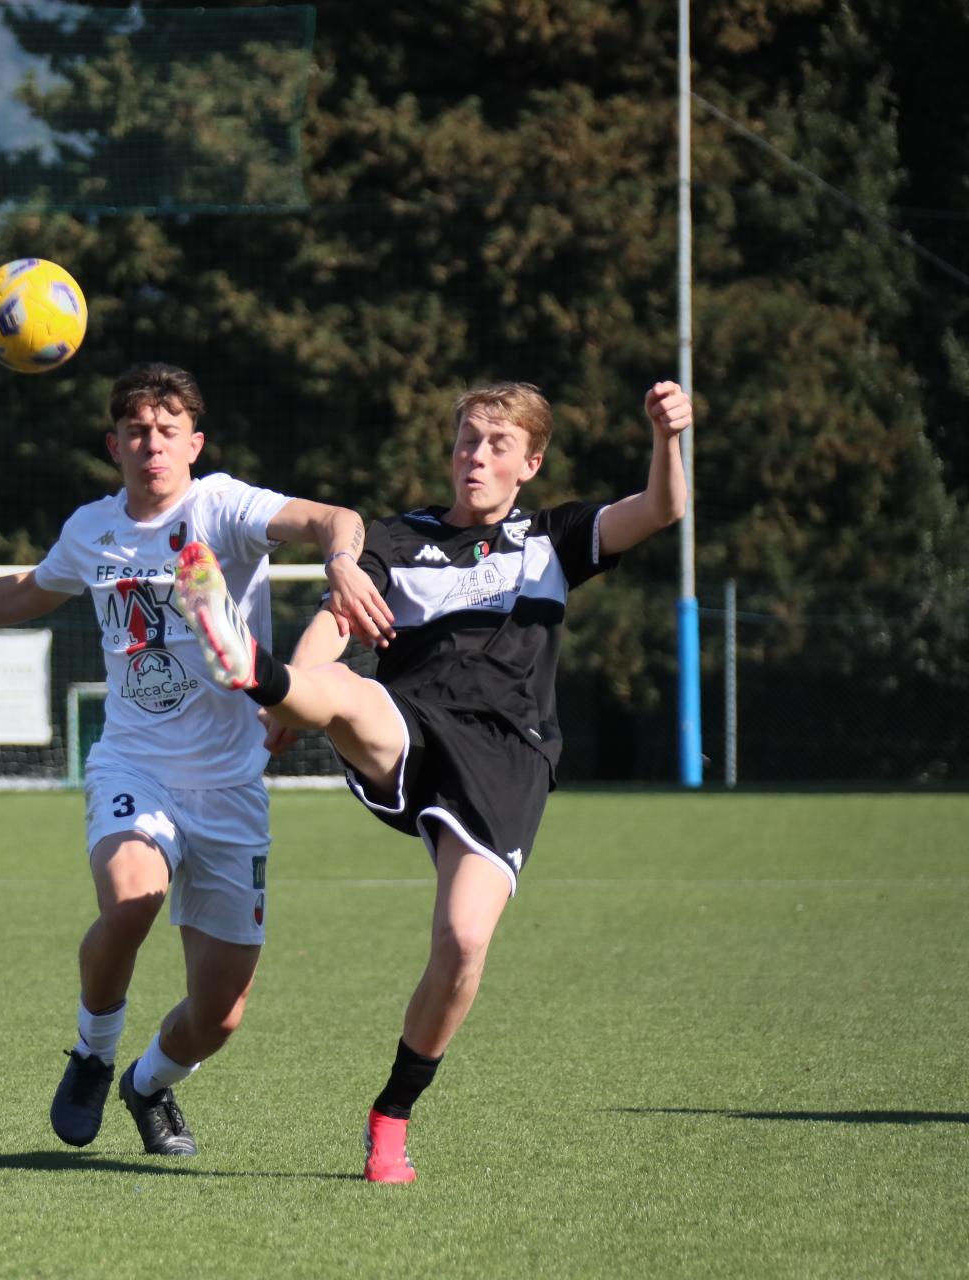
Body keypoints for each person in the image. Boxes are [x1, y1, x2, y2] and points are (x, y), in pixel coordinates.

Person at [0, 363, 389, 1156]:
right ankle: (92, 1052)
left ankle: (147, 1083)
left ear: (195, 443)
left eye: (168, 431)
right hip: (135, 768)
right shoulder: (92, 529)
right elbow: (28, 590)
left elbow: (336, 518)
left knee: (220, 1015)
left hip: (231, 785)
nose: (153, 445)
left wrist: (341, 561)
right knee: (133, 898)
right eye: (137, 432)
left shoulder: (224, 509)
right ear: (114, 445)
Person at [174, 379, 692, 1182]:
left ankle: (392, 1115)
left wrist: (666, 438)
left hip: (507, 759)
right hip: (410, 727)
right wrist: (296, 691)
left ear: (530, 464)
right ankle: (253, 668)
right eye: (466, 441)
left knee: (463, 944)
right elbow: (337, 623)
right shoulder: (394, 538)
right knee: (342, 689)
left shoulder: (552, 539)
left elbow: (659, 509)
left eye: (496, 445)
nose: (475, 457)